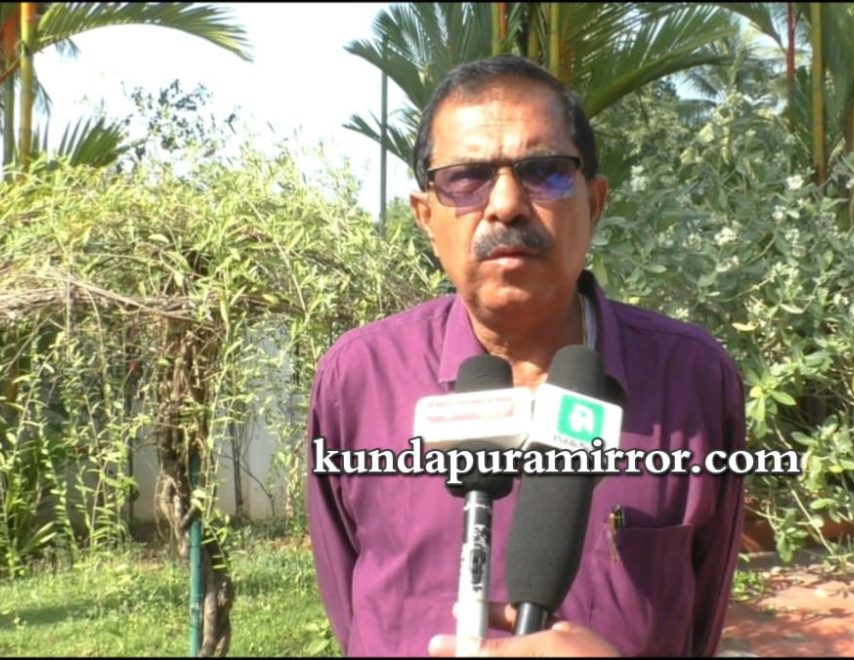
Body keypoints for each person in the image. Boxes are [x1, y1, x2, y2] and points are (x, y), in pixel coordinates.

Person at [306, 54, 745, 657]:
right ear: (426, 216)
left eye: (545, 172)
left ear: (594, 204)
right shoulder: (358, 377)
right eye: (466, 177)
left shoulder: (692, 380)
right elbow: (348, 607)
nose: (506, 204)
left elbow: (699, 619)